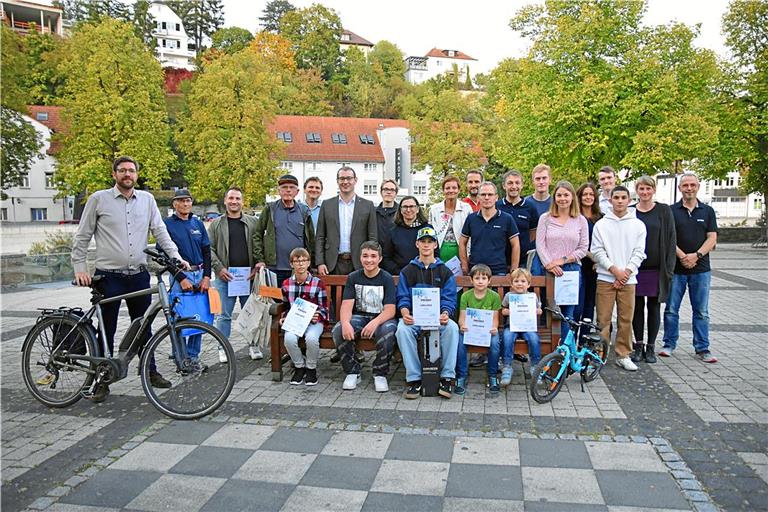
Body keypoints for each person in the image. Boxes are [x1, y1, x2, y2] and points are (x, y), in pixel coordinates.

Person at [72, 156, 182, 401]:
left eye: (131, 171)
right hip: (108, 276)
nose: (127, 174)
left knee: (143, 325)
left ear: (137, 174)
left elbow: (160, 232)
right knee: (107, 329)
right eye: (122, 170)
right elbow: (82, 236)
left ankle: (150, 371)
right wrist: (80, 267)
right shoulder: (99, 199)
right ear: (114, 174)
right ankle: (101, 379)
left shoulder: (147, 200)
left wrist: (176, 257)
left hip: (138, 275)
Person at [396, 226, 460, 399]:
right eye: (423, 242)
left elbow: (449, 298)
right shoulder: (407, 271)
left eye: (430, 242)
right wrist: (404, 312)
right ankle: (415, 379)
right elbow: (403, 297)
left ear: (435, 244)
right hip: (414, 319)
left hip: (436, 318)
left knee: (452, 329)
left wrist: (446, 313)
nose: (426, 245)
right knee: (402, 330)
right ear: (417, 244)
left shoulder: (445, 271)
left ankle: (447, 377)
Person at [660, 174, 718, 363]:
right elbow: (668, 237)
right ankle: (668, 344)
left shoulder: (707, 211)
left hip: (701, 269)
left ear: (698, 187)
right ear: (679, 188)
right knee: (671, 309)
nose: (689, 188)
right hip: (676, 269)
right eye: (685, 185)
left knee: (701, 311)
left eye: (692, 185)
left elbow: (712, 238)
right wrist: (682, 256)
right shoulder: (671, 211)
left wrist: (697, 255)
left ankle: (702, 348)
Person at [591, 186, 647, 372]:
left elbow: (639, 252)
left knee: (626, 319)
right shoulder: (602, 224)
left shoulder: (638, 225)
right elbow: (597, 250)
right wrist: (614, 270)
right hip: (606, 277)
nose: (620, 201)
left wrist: (626, 272)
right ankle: (600, 353)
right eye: (617, 197)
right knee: (603, 319)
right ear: (611, 200)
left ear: (629, 200)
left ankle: (623, 354)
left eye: (624, 197)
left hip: (628, 280)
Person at [332, 241, 398, 392]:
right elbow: (347, 306)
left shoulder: (386, 278)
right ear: (360, 258)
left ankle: (380, 373)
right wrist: (346, 323)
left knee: (388, 332)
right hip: (360, 317)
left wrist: (375, 322)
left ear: (380, 259)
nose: (369, 260)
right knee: (339, 329)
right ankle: (352, 371)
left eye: (373, 256)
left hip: (382, 318)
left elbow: (390, 310)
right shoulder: (353, 277)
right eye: (365, 256)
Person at [532, 180, 589, 341]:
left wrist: (562, 261)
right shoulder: (545, 218)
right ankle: (547, 354)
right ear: (554, 197)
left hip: (570, 270)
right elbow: (540, 244)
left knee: (567, 313)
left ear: (572, 197)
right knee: (546, 309)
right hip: (546, 269)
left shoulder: (580, 220)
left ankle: (563, 352)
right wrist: (549, 264)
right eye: (559, 195)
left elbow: (583, 248)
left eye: (566, 195)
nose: (562, 198)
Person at [162, 188, 211, 372]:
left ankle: (193, 356)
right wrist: (181, 277)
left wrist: (207, 276)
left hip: (199, 275)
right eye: (181, 201)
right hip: (179, 276)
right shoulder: (167, 225)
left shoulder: (198, 224)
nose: (185, 204)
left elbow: (207, 251)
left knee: (200, 317)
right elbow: (164, 254)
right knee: (180, 318)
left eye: (188, 200)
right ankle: (181, 360)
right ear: (174, 204)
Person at [208, 186, 260, 363]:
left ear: (242, 201)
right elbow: (209, 249)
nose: (234, 202)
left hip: (248, 277)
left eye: (237, 198)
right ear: (225, 201)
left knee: (250, 313)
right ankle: (222, 347)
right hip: (225, 277)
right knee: (224, 315)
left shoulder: (253, 222)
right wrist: (219, 268)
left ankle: (253, 345)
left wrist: (258, 265)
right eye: (231, 198)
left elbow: (258, 244)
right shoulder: (216, 224)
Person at [630, 176, 676, 364]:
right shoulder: (631, 212)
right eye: (641, 189)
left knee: (654, 307)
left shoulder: (664, 211)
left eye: (648, 188)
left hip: (657, 269)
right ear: (637, 190)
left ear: (654, 190)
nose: (645, 192)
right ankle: (638, 345)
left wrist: (669, 268)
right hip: (636, 269)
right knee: (637, 308)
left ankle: (651, 347)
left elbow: (671, 239)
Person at [315, 166, 378, 277]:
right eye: (342, 178)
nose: (345, 182)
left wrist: (370, 261)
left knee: (357, 294)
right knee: (333, 295)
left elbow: (372, 237)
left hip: (359, 263)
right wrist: (320, 262)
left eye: (349, 178)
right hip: (332, 264)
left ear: (355, 180)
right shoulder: (327, 205)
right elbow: (320, 236)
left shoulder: (367, 205)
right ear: (337, 181)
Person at [279, 248, 328, 386]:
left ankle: (311, 368)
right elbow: (285, 306)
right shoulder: (286, 284)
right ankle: (299, 367)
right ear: (291, 264)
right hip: (295, 322)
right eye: (297, 261)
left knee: (311, 338)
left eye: (304, 261)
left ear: (309, 263)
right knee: (288, 338)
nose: (300, 264)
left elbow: (324, 307)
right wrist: (283, 317)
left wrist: (317, 316)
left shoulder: (318, 283)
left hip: (313, 322)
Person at [254, 174, 314, 285]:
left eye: (291, 188)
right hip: (274, 268)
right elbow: (257, 235)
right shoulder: (270, 209)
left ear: (297, 191)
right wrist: (260, 259)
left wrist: (311, 264)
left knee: (297, 301)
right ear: (279, 190)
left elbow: (311, 240)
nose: (288, 190)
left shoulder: (304, 211)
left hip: (298, 268)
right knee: (275, 301)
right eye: (284, 187)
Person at [455, 264, 501, 395]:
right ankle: (461, 375)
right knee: (459, 342)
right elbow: (462, 317)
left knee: (495, 343)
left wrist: (494, 328)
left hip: (487, 331)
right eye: (477, 278)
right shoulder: (466, 296)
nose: (480, 281)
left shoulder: (494, 296)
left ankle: (492, 375)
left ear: (489, 280)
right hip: (470, 330)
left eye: (484, 278)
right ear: (471, 280)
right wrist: (462, 325)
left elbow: (495, 318)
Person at [459, 181, 521, 276]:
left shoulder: (507, 219)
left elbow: (516, 244)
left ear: (496, 197)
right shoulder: (471, 218)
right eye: (483, 194)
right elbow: (462, 242)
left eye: (490, 194)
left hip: (499, 271)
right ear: (479, 197)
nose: (487, 197)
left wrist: (514, 269)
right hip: (476, 271)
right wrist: (464, 265)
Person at [501, 268, 542, 383]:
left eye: (523, 281)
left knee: (534, 338)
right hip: (511, 326)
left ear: (528, 284)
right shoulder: (509, 296)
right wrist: (506, 311)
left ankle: (535, 366)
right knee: (507, 337)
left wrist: (538, 311)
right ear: (512, 284)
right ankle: (507, 366)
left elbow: (539, 309)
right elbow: (503, 309)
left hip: (528, 326)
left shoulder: (532, 297)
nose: (519, 284)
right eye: (516, 281)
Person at [381, 196, 434, 275]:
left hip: (425, 275)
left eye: (411, 206)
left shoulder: (427, 229)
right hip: (400, 275)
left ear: (417, 209)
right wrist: (401, 272)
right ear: (400, 210)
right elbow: (386, 257)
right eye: (405, 207)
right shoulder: (393, 231)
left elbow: (435, 253)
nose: (408, 210)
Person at [497, 169, 540, 265]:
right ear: (504, 186)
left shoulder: (530, 207)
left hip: (523, 260)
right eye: (510, 183)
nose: (514, 186)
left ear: (522, 185)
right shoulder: (497, 206)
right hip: (499, 260)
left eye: (517, 183)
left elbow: (533, 233)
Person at [575, 182, 603, 323]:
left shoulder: (602, 218)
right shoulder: (574, 217)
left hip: (596, 267)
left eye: (591, 194)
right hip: (579, 263)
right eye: (585, 194)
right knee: (577, 305)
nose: (588, 197)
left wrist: (599, 261)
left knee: (590, 305)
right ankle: (572, 340)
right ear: (579, 197)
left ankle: (584, 340)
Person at [429, 175, 473, 263]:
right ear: (443, 190)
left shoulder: (466, 208)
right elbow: (431, 233)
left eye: (454, 188)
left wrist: (468, 256)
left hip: (461, 253)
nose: (451, 190)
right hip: (440, 253)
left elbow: (471, 234)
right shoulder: (434, 209)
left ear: (459, 190)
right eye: (447, 188)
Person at [376, 179, 399, 247]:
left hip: (396, 254)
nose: (389, 192)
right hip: (377, 253)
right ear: (381, 192)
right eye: (386, 189)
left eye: (392, 190)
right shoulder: (373, 213)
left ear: (396, 193)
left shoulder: (401, 213)